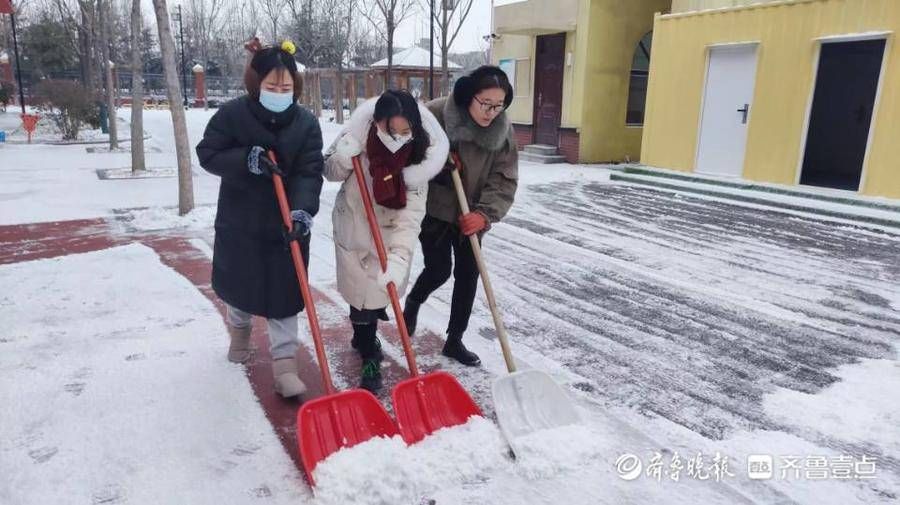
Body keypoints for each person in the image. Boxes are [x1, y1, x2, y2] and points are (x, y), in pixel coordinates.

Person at [195, 39, 324, 398]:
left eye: (286, 88)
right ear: (257, 84)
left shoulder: (306, 123)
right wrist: (247, 160)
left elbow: (310, 171)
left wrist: (301, 212)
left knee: (285, 295)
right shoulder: (234, 115)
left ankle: (285, 368)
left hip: (286, 227)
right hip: (242, 222)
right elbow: (208, 153)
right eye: (272, 87)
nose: (279, 93)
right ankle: (239, 337)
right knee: (239, 289)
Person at [324, 90, 449, 392]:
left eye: (406, 132)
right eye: (390, 130)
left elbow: (411, 216)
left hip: (391, 233)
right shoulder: (356, 134)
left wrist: (400, 257)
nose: (398, 138)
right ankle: (369, 354)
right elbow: (329, 170)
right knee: (360, 300)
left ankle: (364, 332)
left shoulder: (421, 157)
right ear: (376, 122)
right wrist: (343, 155)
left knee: (377, 294)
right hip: (354, 224)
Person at [404, 66, 519, 367]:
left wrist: (484, 215)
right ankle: (414, 302)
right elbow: (407, 149)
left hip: (474, 211)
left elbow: (504, 178)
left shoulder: (503, 131)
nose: (492, 112)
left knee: (469, 274)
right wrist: (439, 161)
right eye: (486, 104)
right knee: (439, 269)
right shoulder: (437, 113)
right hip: (437, 208)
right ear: (470, 96)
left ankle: (455, 339)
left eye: (499, 105)